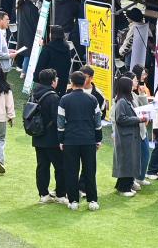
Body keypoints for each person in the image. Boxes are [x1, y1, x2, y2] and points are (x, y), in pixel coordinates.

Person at [58, 71, 103, 211]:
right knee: (90, 170)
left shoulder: (64, 99)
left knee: (71, 171)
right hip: (89, 140)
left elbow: (60, 122)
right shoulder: (92, 99)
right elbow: (98, 121)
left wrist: (61, 140)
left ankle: (73, 201)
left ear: (71, 82)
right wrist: (98, 139)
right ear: (84, 82)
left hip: (70, 140)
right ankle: (92, 200)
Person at [33, 68, 66, 204]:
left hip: (38, 135)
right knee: (60, 167)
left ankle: (43, 194)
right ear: (52, 81)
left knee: (42, 166)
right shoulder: (53, 97)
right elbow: (58, 119)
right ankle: (60, 194)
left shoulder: (34, 93)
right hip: (52, 138)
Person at [111, 76, 146, 196]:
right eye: (131, 85)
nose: (133, 86)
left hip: (130, 136)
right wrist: (138, 119)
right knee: (127, 162)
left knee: (129, 162)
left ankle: (125, 186)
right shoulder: (121, 101)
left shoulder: (127, 99)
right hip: (125, 137)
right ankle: (123, 188)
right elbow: (120, 119)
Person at [35, 26, 73, 94]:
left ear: (52, 35)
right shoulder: (66, 48)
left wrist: (36, 77)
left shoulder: (47, 49)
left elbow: (41, 65)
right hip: (62, 80)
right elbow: (68, 64)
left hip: (48, 81)